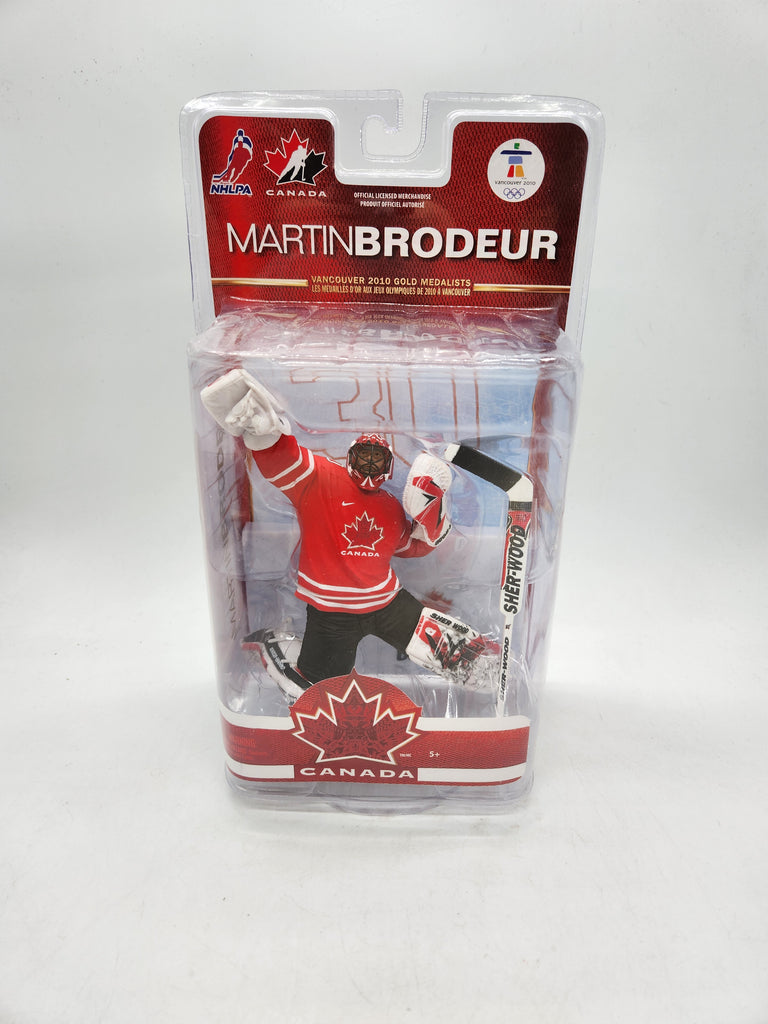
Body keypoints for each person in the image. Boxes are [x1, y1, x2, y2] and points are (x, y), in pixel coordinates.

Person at [201, 369, 490, 696]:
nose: (370, 465)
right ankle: (275, 649)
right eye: (364, 456)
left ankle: (481, 667)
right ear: (351, 456)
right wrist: (265, 433)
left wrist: (433, 523)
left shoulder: (391, 507)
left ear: (388, 467)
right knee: (319, 688)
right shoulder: (321, 480)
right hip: (331, 613)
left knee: (438, 644)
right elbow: (284, 462)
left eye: (377, 459)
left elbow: (411, 547)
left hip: (386, 601)